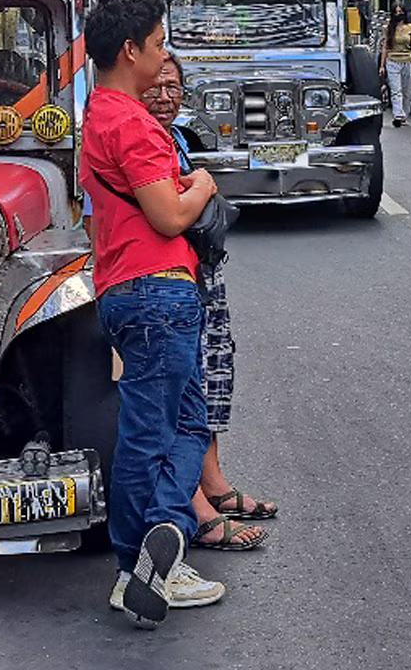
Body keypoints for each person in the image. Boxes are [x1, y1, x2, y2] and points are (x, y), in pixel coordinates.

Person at [81, 0, 224, 628]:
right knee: (157, 431)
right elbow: (167, 214)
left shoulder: (96, 114)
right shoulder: (134, 122)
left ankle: (154, 551)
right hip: (161, 288)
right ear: (131, 50)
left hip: (122, 286)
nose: (164, 56)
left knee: (183, 422)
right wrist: (205, 185)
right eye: (160, 44)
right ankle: (142, 558)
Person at [142, 56, 277, 551]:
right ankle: (193, 503)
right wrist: (202, 185)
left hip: (201, 271)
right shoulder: (136, 139)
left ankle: (213, 482)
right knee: (183, 385)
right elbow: (173, 210)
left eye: (173, 87)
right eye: (155, 86)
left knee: (212, 371)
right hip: (168, 278)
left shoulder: (175, 138)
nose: (164, 95)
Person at [381, 4, 411, 126]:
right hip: (392, 61)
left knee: (408, 90)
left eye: (400, 12)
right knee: (396, 90)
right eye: (396, 12)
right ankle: (398, 114)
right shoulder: (389, 28)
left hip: (407, 61)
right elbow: (385, 47)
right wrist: (382, 65)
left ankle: (404, 114)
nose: (398, 14)